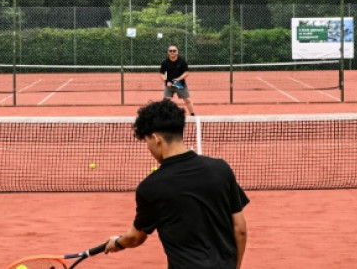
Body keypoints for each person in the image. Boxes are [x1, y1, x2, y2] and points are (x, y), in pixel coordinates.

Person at [103, 99, 249, 269]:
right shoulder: (221, 169)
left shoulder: (150, 187)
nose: (148, 148)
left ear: (156, 138)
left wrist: (118, 242)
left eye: (147, 141)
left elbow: (136, 237)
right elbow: (240, 229)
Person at [160, 44, 195, 115]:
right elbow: (161, 74)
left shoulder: (182, 62)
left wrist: (177, 80)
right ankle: (164, 117)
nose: (172, 52)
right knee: (166, 101)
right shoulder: (165, 63)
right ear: (168, 52)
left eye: (174, 51)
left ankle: (192, 115)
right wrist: (166, 81)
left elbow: (186, 73)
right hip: (169, 85)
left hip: (180, 85)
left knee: (187, 100)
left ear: (177, 52)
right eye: (170, 51)